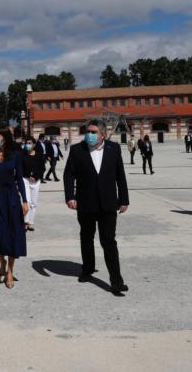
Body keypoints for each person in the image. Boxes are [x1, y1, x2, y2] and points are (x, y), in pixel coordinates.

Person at [63, 119, 130, 294]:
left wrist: (124, 199)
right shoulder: (77, 150)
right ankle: (87, 269)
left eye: (93, 132)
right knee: (86, 238)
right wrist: (70, 196)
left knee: (108, 241)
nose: (89, 135)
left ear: (102, 134)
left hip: (108, 203)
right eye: (88, 131)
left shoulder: (113, 149)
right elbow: (68, 175)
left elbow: (120, 176)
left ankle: (116, 281)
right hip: (85, 202)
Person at [0, 127, 29, 289]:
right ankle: (1, 263)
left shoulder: (15, 156)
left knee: (13, 234)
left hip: (13, 199)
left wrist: (25, 200)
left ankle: (10, 271)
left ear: (5, 139)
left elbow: (20, 180)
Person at [21, 136, 43, 232]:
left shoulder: (39, 155)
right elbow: (20, 169)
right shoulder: (22, 155)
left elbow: (42, 168)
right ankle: (25, 222)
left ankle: (30, 223)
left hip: (36, 181)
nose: (28, 145)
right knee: (27, 202)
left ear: (34, 144)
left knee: (34, 203)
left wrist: (36, 176)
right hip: (25, 180)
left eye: (30, 143)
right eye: (26, 143)